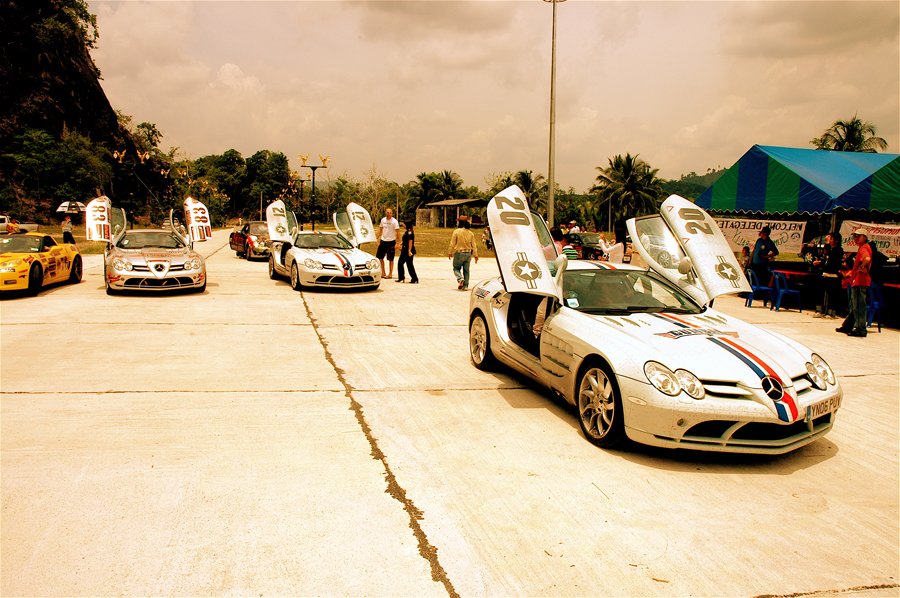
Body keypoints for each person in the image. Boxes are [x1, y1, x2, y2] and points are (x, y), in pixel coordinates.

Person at [836, 228, 872, 338]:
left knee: (859, 306)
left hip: (860, 281)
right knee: (855, 305)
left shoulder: (864, 248)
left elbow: (867, 258)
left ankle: (860, 329)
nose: (856, 238)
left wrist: (861, 267)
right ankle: (848, 325)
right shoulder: (863, 247)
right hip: (858, 281)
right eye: (855, 236)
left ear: (864, 237)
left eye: (858, 236)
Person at [812, 232, 843, 318]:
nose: (830, 239)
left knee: (832, 294)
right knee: (819, 292)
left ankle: (831, 312)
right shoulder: (828, 248)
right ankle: (819, 310)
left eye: (831, 238)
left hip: (833, 275)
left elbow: (833, 262)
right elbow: (825, 259)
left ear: (836, 240)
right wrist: (820, 262)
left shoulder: (839, 250)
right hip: (825, 273)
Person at [448, 216, 478, 290]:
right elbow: (474, 245)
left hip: (459, 253)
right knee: (466, 271)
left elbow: (452, 243)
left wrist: (450, 252)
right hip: (468, 254)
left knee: (456, 268)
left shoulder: (456, 231)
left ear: (460, 222)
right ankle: (465, 286)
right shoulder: (470, 233)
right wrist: (476, 255)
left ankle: (460, 279)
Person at [376, 208, 400, 279]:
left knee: (390, 259)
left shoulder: (394, 221)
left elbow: (398, 232)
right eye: (387, 212)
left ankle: (390, 274)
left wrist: (398, 242)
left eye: (390, 212)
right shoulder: (383, 220)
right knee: (379, 257)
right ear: (385, 213)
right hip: (383, 241)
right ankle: (383, 273)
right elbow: (380, 230)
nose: (388, 214)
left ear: (392, 213)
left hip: (391, 242)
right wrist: (376, 238)